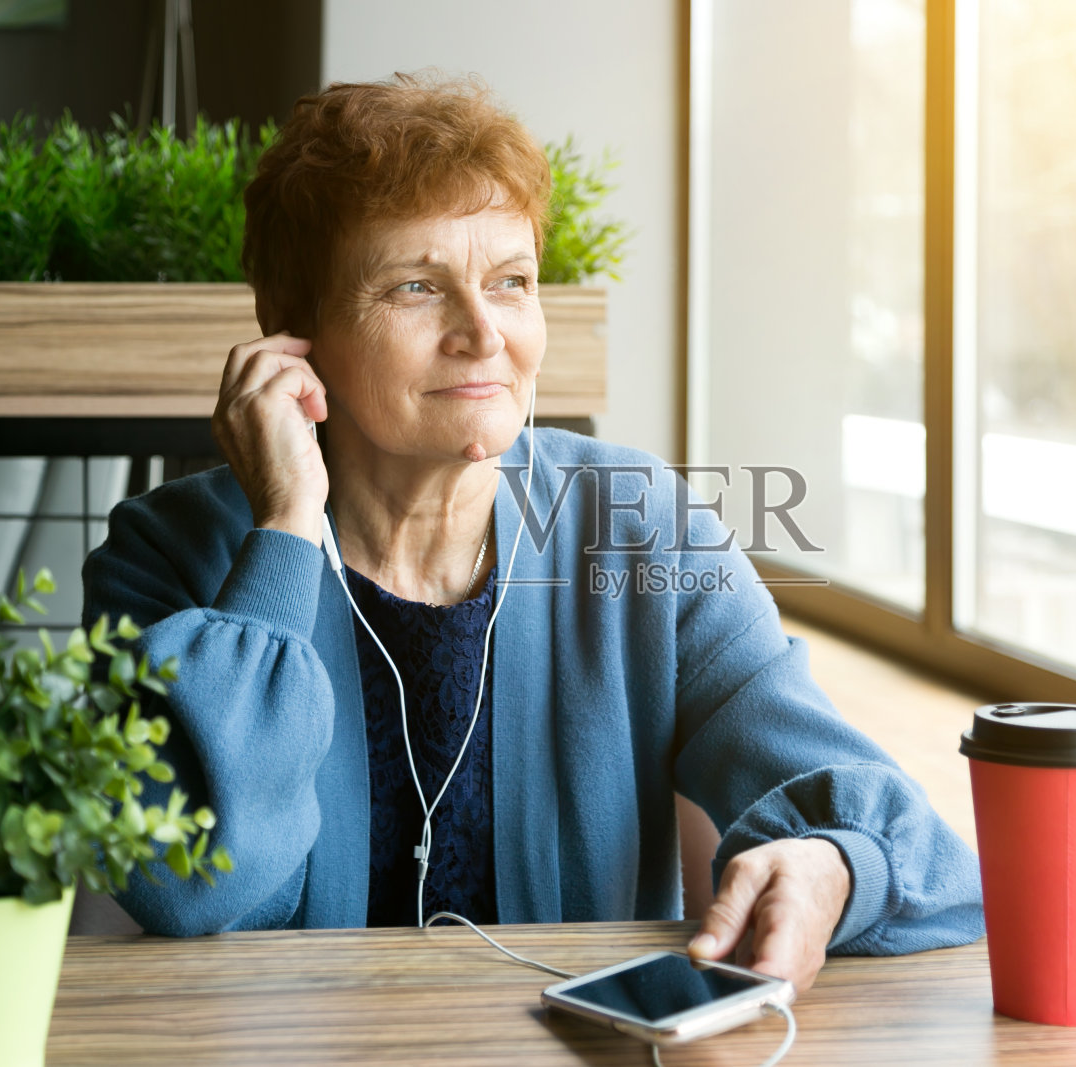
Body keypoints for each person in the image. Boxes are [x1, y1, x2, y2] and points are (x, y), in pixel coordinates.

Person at [81, 71, 983, 993]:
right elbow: (184, 887)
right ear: (292, 329)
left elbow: (920, 852)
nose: (483, 333)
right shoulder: (163, 554)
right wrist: (282, 528)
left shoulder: (643, 529)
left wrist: (835, 865)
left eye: (510, 282)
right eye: (416, 287)